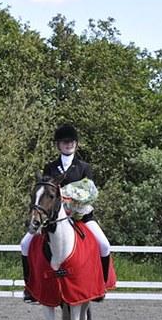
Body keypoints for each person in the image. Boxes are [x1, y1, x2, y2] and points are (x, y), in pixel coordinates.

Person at [20, 123, 112, 303]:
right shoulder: (50, 167)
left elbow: (90, 193)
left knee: (104, 245)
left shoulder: (83, 167)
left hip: (81, 217)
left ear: (76, 144)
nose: (68, 144)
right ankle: (29, 288)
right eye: (64, 142)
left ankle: (100, 286)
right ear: (58, 145)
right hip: (54, 220)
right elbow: (45, 192)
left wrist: (72, 200)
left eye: (71, 142)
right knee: (25, 244)